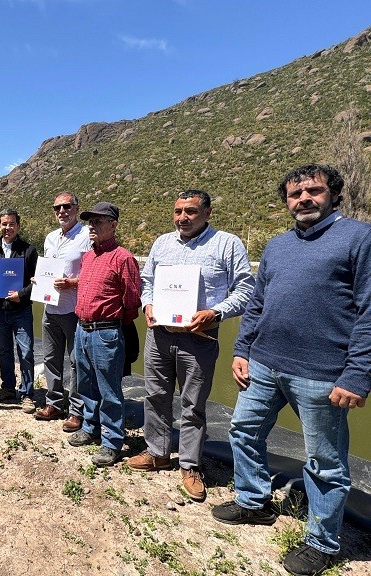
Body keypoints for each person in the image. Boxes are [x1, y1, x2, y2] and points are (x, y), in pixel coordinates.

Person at [211, 164, 371, 576]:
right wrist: (242, 349)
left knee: (325, 460)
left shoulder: (359, 238)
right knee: (243, 430)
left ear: (333, 194)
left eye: (313, 191)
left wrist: (357, 375)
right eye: (294, 194)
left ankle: (322, 542)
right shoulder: (278, 245)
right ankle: (253, 502)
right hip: (264, 363)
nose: (303, 199)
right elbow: (257, 305)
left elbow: (369, 312)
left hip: (322, 373)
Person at [134, 189, 254, 502]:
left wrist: (217, 312)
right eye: (178, 211)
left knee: (193, 404)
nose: (183, 218)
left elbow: (245, 290)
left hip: (199, 338)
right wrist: (147, 304)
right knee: (156, 396)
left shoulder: (227, 244)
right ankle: (158, 452)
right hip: (159, 334)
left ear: (207, 213)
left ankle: (189, 464)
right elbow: (147, 282)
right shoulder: (161, 242)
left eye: (190, 211)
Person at [67, 202, 141, 467]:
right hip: (81, 328)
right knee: (86, 383)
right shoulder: (88, 256)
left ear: (114, 225)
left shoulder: (124, 258)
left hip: (106, 332)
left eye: (99, 221)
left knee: (109, 389)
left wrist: (113, 323)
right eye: (90, 222)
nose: (92, 226)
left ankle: (111, 441)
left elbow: (132, 302)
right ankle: (90, 426)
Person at [33, 192, 90, 432]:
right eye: (57, 207)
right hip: (51, 308)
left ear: (76, 208)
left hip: (74, 310)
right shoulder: (50, 238)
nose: (62, 211)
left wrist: (73, 283)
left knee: (77, 361)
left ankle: (77, 411)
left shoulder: (87, 235)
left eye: (67, 206)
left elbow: (92, 271)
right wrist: (39, 280)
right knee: (50, 359)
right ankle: (54, 403)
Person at [0, 209, 38, 414]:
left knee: (27, 351)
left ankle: (28, 393)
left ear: (18, 226)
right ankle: (7, 388)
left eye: (11, 224)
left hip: (21, 310)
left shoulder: (29, 251)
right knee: (4, 352)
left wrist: (21, 294)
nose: (8, 228)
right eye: (4, 224)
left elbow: (36, 283)